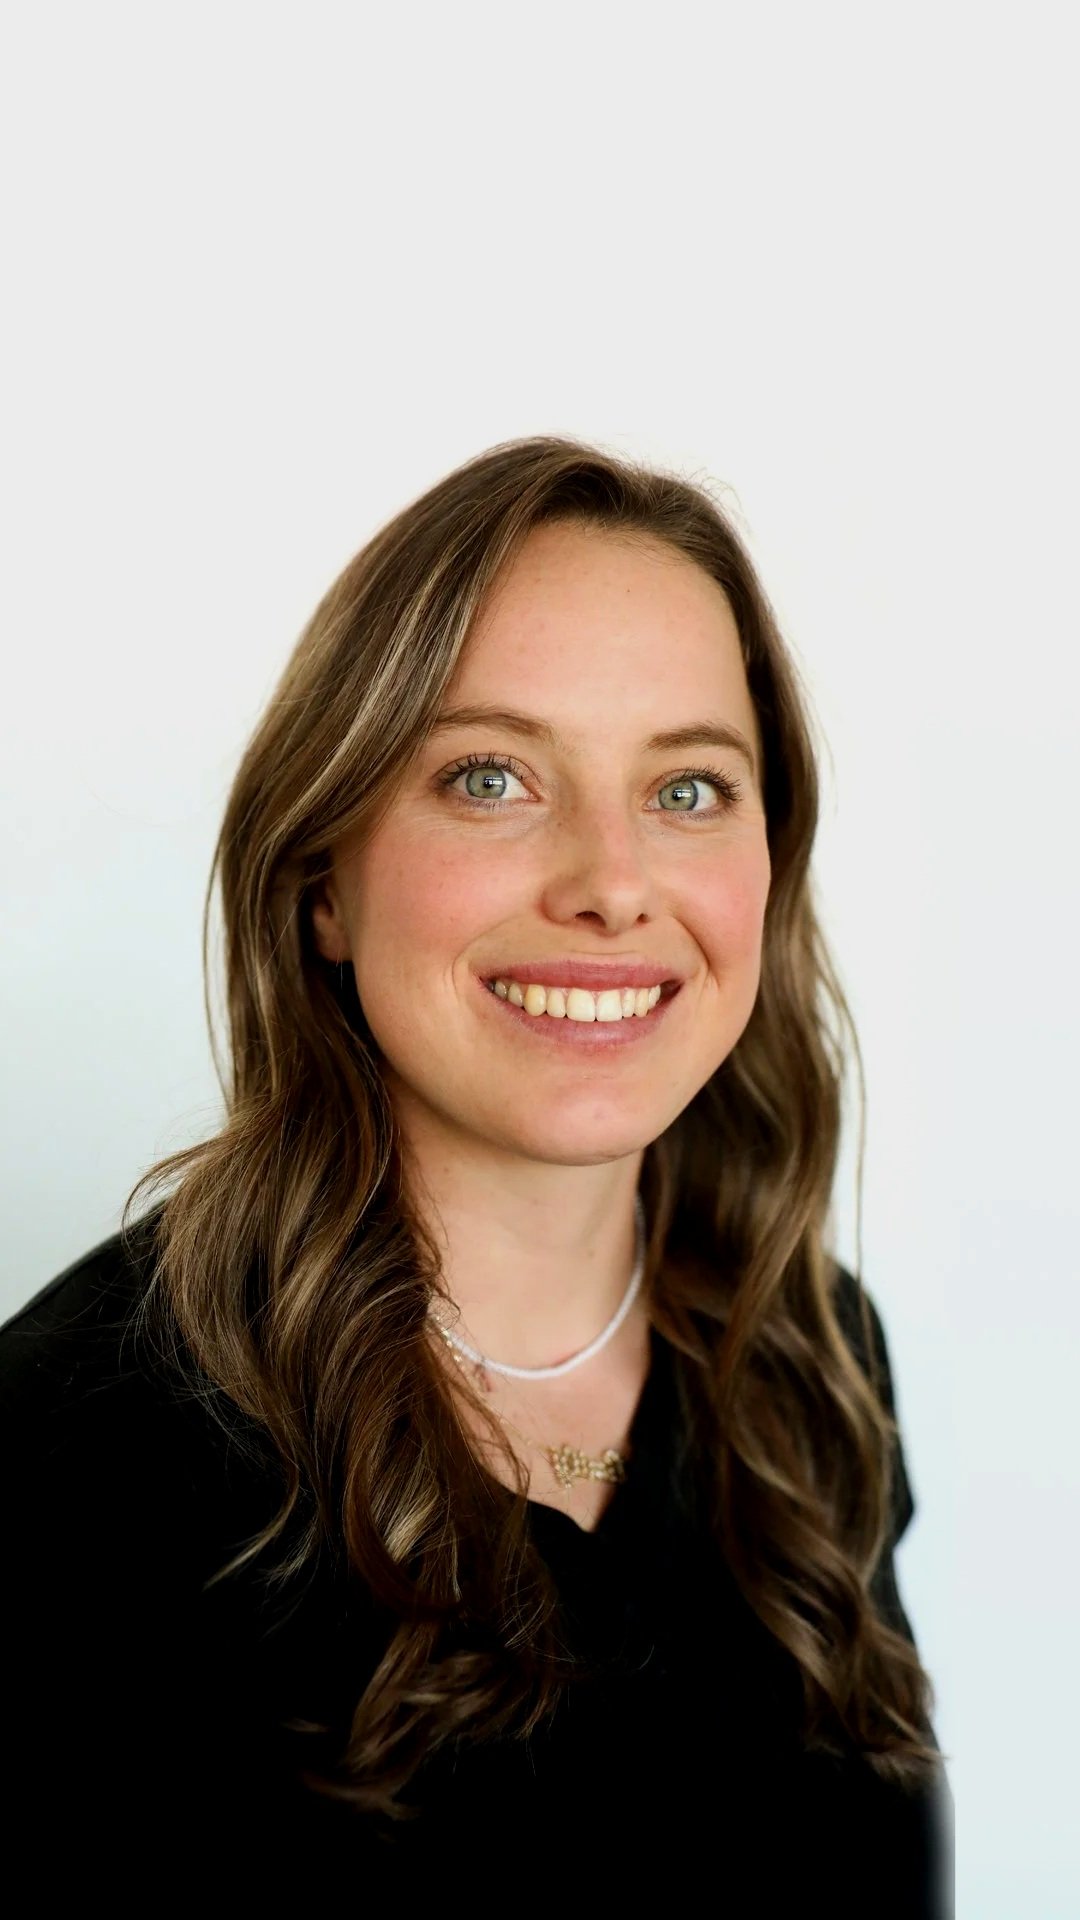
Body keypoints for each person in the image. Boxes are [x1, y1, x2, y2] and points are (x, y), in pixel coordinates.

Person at [2, 437, 952, 1910]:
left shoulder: (813, 1372)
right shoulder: (80, 1448)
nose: (611, 881)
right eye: (491, 776)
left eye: (689, 790)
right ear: (323, 876)